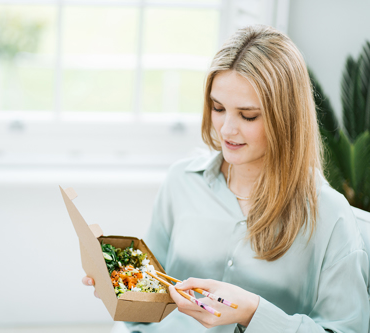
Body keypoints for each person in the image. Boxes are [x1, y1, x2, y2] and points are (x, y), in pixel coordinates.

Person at [82, 24, 370, 332]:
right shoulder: (181, 181)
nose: (227, 129)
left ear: (286, 117)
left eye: (248, 116)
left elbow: (346, 329)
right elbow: (146, 304)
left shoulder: (328, 215)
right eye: (218, 108)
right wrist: (119, 286)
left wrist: (253, 313)